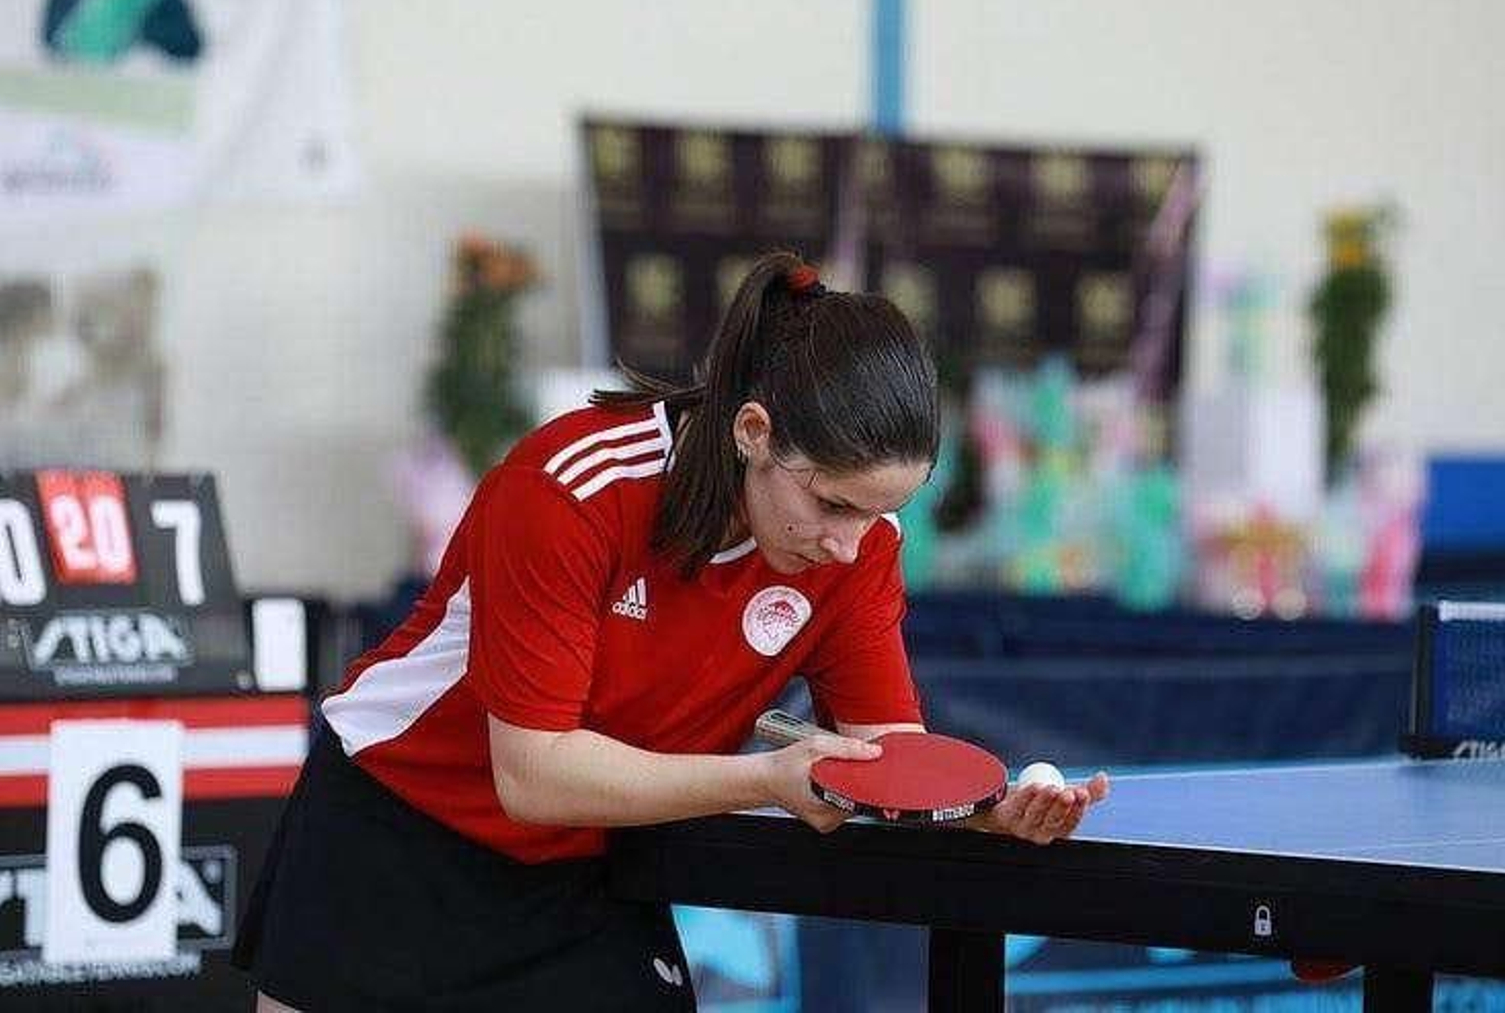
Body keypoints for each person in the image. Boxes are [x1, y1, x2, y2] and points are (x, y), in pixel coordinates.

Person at [234, 251, 1111, 1012]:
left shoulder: (859, 549)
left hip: (585, 876)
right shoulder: (571, 489)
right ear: (753, 431)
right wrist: (763, 779)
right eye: (832, 503)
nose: (850, 543)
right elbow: (534, 774)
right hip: (395, 840)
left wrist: (982, 811)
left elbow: (885, 753)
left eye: (881, 512)